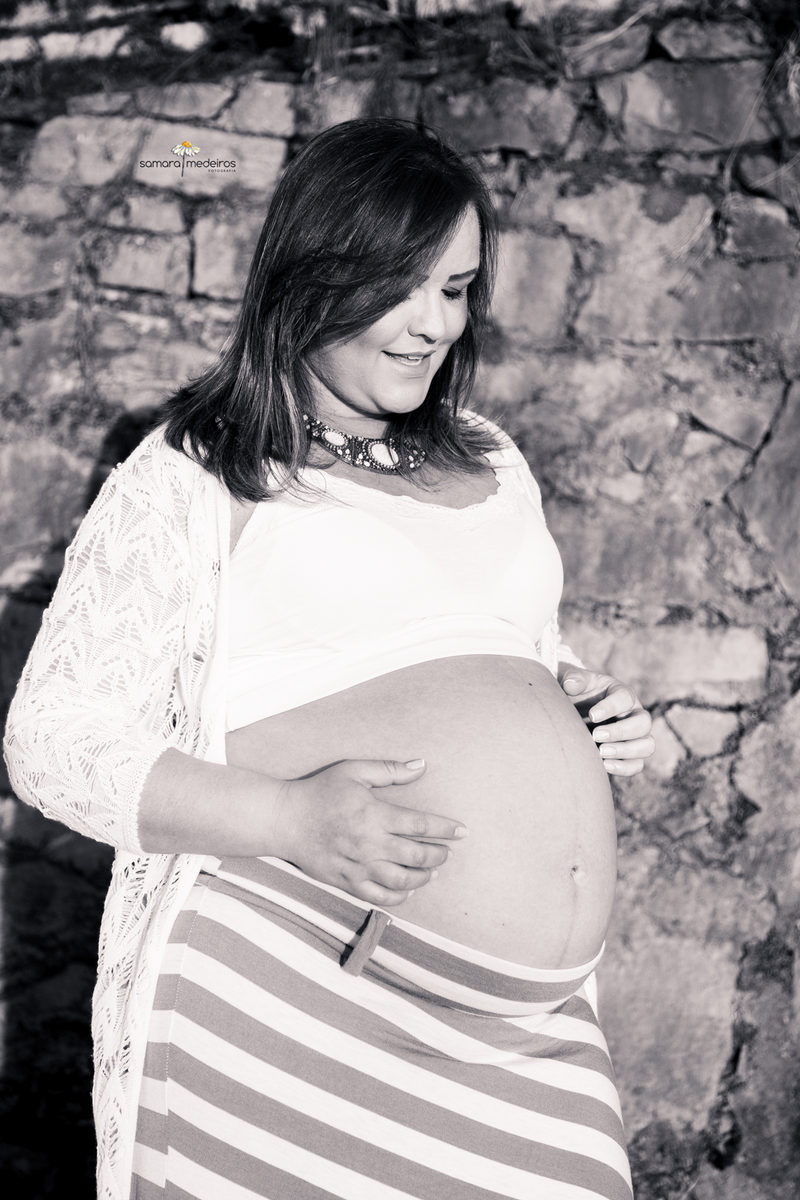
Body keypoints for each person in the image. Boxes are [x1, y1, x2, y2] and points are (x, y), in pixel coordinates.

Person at [5, 118, 654, 1200]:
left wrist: (580, 702)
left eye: (456, 289)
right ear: (310, 275)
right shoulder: (198, 472)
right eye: (400, 289)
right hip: (294, 992)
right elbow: (52, 739)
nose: (433, 325)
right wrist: (290, 818)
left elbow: (493, 652)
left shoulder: (493, 460)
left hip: (533, 1037)